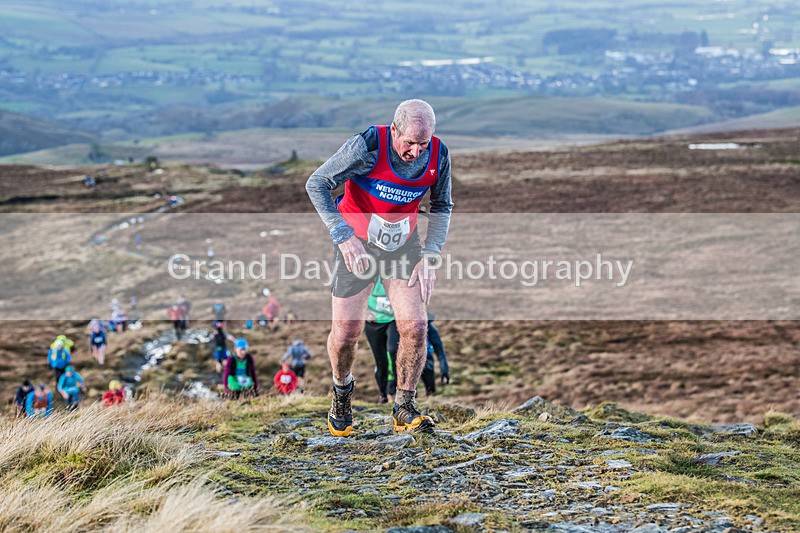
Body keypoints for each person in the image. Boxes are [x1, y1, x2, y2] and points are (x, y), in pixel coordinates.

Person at [306, 99, 453, 436]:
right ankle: (342, 392)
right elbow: (317, 184)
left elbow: (442, 204)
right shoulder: (368, 145)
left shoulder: (439, 155)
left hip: (403, 245)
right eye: (409, 143)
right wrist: (343, 237)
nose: (415, 151)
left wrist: (431, 253)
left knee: (416, 326)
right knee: (346, 334)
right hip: (356, 245)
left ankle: (404, 405)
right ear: (395, 129)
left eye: (423, 143)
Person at [364, 278, 400, 403]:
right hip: (373, 323)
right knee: (381, 362)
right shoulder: (369, 271)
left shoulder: (398, 269)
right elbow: (353, 293)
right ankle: (383, 394)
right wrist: (364, 312)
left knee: (393, 350)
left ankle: (396, 391)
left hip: (393, 320)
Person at [420, 317, 450, 396]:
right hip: (408, 362)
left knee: (431, 391)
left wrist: (444, 368)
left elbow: (439, 349)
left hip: (426, 361)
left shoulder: (429, 327)